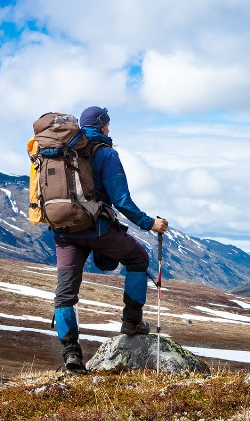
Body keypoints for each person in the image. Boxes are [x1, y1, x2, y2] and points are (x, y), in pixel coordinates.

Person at [53, 106, 168, 372]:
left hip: (64, 231)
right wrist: (150, 223)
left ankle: (71, 354)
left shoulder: (61, 153)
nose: (109, 128)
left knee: (65, 294)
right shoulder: (106, 153)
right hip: (98, 229)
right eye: (108, 123)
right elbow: (121, 200)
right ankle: (132, 321)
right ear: (103, 125)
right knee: (138, 259)